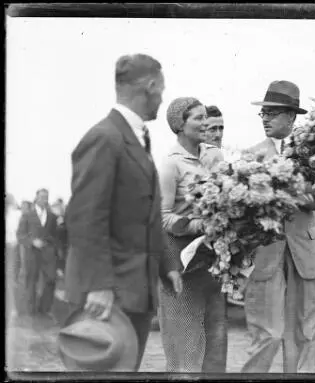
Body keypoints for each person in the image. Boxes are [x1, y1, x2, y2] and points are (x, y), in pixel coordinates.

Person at [64, 53, 168, 371]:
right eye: (161, 89)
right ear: (150, 86)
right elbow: (85, 218)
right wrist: (98, 285)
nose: (162, 99)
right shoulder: (105, 138)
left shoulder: (133, 138)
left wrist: (168, 266)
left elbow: (144, 213)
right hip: (109, 294)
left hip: (133, 290)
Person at [241, 80, 315, 373]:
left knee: (304, 333)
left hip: (304, 253)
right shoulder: (251, 155)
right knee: (266, 334)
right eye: (263, 113)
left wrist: (289, 191)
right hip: (266, 254)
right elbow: (245, 205)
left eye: (272, 112)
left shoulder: (314, 153)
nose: (266, 119)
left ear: (291, 117)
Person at [157, 97, 227, 373]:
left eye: (205, 117)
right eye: (197, 118)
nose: (205, 123)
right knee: (185, 354)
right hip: (182, 266)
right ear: (179, 124)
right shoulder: (170, 164)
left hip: (211, 266)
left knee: (215, 351)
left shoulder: (211, 159)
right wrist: (200, 225)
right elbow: (161, 218)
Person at [16, 188, 59, 321]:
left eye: (46, 197)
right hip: (32, 253)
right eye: (41, 197)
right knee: (31, 281)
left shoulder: (52, 216)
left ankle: (44, 309)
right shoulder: (27, 215)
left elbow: (54, 235)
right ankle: (31, 310)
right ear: (36, 198)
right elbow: (20, 235)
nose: (44, 199)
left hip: (47, 253)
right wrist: (32, 241)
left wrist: (51, 245)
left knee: (50, 280)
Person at [5, 193, 22, 319]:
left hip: (12, 247)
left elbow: (19, 232)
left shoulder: (16, 215)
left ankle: (12, 307)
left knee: (10, 278)